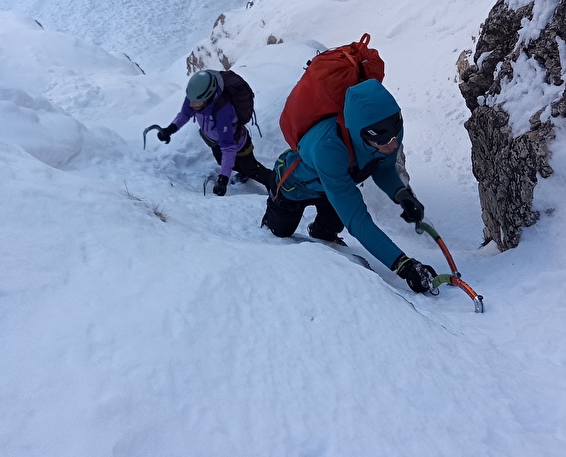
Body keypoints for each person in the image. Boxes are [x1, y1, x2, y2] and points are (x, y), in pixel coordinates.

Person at [262, 78, 439, 293]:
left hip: (332, 187)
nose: (392, 144)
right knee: (280, 232)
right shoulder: (328, 148)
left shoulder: (387, 129)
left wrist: (403, 195)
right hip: (293, 186)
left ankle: (320, 233)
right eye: (383, 141)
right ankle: (273, 205)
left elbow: (382, 168)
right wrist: (403, 265)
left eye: (395, 136)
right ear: (359, 131)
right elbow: (358, 220)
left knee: (329, 230)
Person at [155, 70, 276, 195]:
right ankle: (244, 173)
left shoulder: (223, 112)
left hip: (237, 144)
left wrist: (223, 179)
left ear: (208, 97)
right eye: (190, 100)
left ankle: (273, 181)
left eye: (195, 102)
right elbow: (185, 114)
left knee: (251, 168)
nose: (191, 104)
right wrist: (170, 129)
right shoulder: (195, 96)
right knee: (222, 161)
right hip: (215, 141)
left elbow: (229, 148)